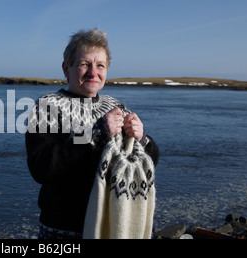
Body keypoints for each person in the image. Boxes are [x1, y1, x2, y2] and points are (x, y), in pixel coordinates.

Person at [25, 28, 160, 239]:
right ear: (66, 68)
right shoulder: (46, 107)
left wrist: (143, 139)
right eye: (84, 64)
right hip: (63, 229)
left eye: (100, 66)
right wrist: (95, 134)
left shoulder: (116, 107)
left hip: (112, 224)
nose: (93, 73)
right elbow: (41, 167)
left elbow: (147, 161)